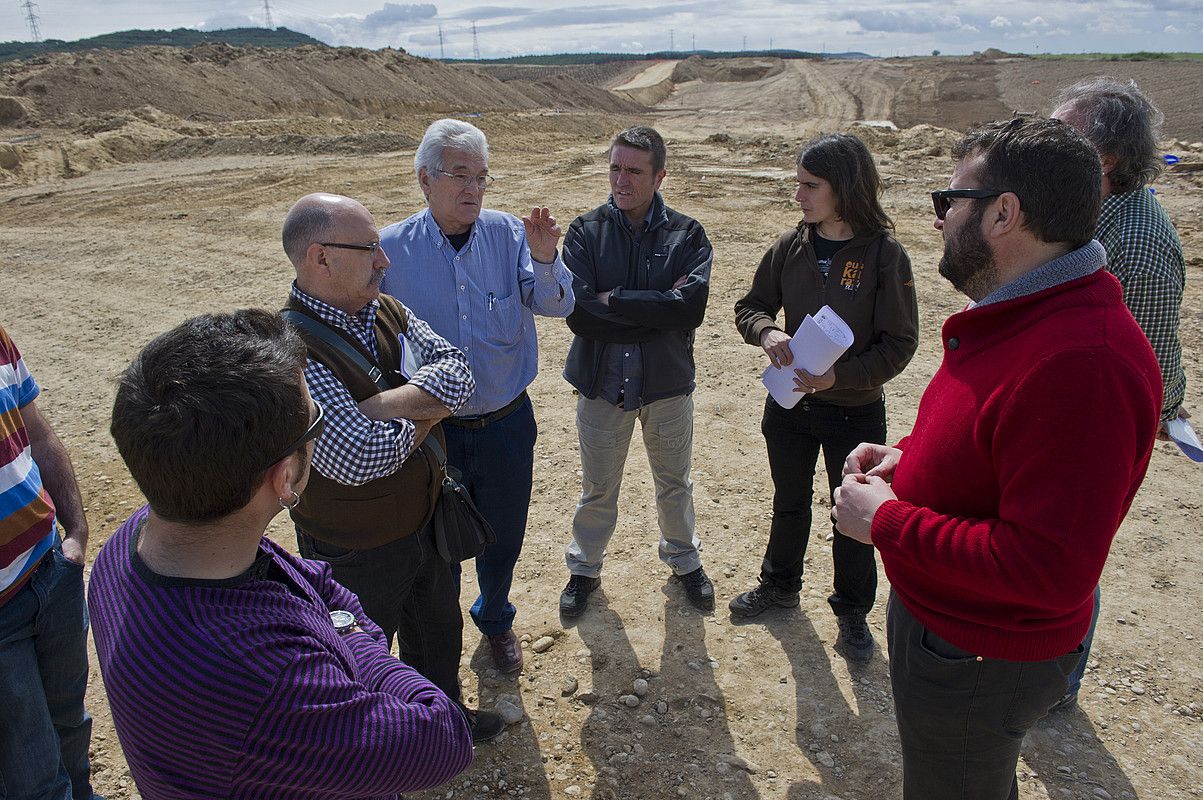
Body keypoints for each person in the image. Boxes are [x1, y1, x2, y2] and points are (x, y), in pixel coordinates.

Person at [833, 117, 1162, 800]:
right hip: (958, 630)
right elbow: (1000, 450)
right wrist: (910, 459)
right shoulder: (1028, 314)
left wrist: (888, 524)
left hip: (978, 652)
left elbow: (1047, 570)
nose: (937, 222)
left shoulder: (1080, 361)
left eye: (948, 202)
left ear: (1004, 213)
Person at [89, 310, 473, 799]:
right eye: (316, 422)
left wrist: (335, 623)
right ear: (285, 476)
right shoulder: (271, 677)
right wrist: (349, 635)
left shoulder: (132, 544)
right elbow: (442, 737)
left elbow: (315, 583)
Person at [280, 192, 503, 742]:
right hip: (353, 549)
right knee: (361, 653)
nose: (385, 261)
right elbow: (358, 459)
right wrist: (430, 411)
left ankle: (442, 722)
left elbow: (461, 373)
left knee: (438, 631)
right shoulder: (289, 348)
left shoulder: (387, 310)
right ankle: (380, 746)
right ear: (321, 258)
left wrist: (381, 408)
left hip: (422, 524)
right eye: (369, 249)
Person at [379, 118, 575, 674]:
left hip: (506, 423)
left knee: (502, 534)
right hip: (427, 431)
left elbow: (556, 304)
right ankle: (437, 638)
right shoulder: (390, 250)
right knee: (430, 541)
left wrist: (543, 257)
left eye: (481, 177)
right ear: (424, 178)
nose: (472, 189)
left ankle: (494, 619)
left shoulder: (511, 233)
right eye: (458, 175)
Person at [729, 133, 919, 662]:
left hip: (853, 414)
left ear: (845, 188)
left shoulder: (885, 254)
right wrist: (767, 333)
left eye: (810, 186)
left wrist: (843, 378)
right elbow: (750, 306)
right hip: (789, 404)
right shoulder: (791, 247)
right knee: (789, 502)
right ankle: (780, 586)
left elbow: (900, 344)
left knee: (855, 513)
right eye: (797, 184)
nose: (798, 196)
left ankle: (853, 613)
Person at [1051, 76, 1190, 710]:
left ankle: (1057, 689)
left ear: (1106, 160)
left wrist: (1165, 409)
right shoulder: (1081, 210)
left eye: (1063, 134)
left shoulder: (1137, 240)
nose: (1046, 143)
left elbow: (1159, 347)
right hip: (1051, 404)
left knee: (1070, 555)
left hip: (1091, 426)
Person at [559, 125, 714, 616]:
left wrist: (619, 301)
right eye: (615, 168)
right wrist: (656, 313)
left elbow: (689, 309)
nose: (620, 180)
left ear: (660, 176)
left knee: (674, 483)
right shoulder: (585, 231)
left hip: (666, 386)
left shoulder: (687, 234)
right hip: (603, 387)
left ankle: (684, 559)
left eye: (634, 170)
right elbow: (580, 313)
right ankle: (584, 569)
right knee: (598, 487)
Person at [0, 324, 100, 800]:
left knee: (70, 722)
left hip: (50, 571)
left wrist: (76, 532)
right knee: (32, 777)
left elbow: (36, 432)